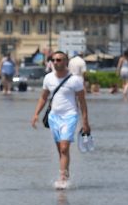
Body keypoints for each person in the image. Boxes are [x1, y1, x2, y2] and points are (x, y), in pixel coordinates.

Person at [30, 51, 90, 190]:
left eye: (59, 60)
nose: (56, 62)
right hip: (54, 117)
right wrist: (36, 114)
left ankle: (62, 177)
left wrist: (85, 122)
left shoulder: (75, 80)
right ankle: (66, 173)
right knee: (60, 150)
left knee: (64, 147)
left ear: (66, 62)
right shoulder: (48, 78)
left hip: (70, 116)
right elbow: (43, 97)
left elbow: (82, 102)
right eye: (54, 60)